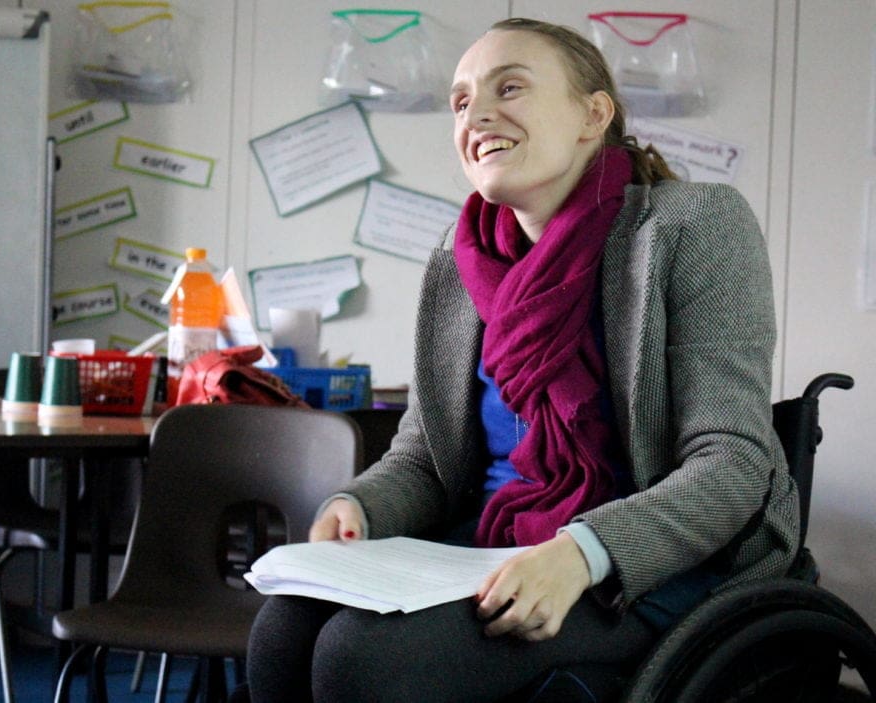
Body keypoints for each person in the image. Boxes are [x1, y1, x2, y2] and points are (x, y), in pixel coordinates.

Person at [244, 17, 798, 703]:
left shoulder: (693, 225)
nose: (477, 113)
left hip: (654, 563)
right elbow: (423, 460)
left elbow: (732, 464)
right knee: (282, 631)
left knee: (362, 658)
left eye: (510, 87)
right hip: (490, 544)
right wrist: (356, 505)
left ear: (593, 115)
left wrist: (580, 553)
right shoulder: (456, 261)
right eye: (461, 100)